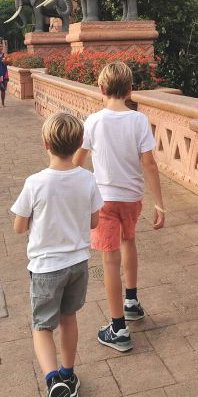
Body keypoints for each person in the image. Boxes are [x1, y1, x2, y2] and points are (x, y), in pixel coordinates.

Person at [11, 112, 103, 397]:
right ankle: (69, 375)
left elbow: (19, 226)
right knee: (69, 318)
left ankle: (53, 382)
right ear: (79, 143)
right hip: (77, 263)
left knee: (41, 327)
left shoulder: (35, 183)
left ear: (45, 144)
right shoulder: (87, 179)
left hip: (45, 268)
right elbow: (93, 222)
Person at [74, 60, 166, 352]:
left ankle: (117, 328)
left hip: (104, 200)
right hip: (132, 198)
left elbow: (77, 160)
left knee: (109, 261)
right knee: (129, 242)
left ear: (101, 89)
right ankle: (131, 301)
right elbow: (149, 164)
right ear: (130, 90)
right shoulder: (139, 120)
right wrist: (160, 204)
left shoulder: (93, 121)